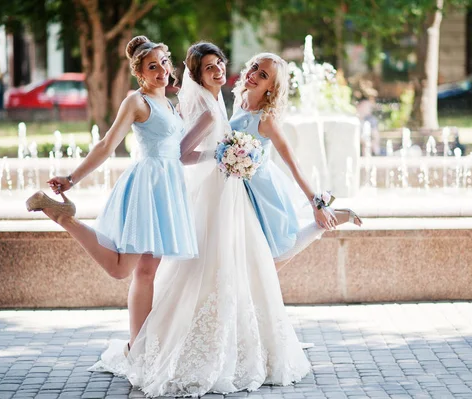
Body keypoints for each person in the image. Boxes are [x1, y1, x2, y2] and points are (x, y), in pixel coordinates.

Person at [89, 42, 314, 397]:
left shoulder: (223, 102)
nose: (218, 70)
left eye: (220, 63)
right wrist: (222, 153)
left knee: (232, 264)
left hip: (227, 192)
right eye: (209, 67)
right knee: (211, 265)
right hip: (215, 193)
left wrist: (231, 156)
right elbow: (180, 153)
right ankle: (177, 346)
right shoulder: (211, 109)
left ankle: (218, 341)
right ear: (197, 74)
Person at [25, 35, 198, 343]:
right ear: (140, 73)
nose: (162, 71)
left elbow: (179, 151)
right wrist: (72, 178)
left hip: (168, 188)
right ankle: (65, 217)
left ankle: (138, 346)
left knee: (146, 272)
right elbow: (106, 145)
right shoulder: (137, 101)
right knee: (122, 269)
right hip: (148, 186)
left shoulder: (169, 104)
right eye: (152, 67)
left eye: (164, 64)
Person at [230, 53, 362, 268]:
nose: (253, 75)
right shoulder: (241, 101)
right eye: (254, 67)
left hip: (261, 191)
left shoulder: (266, 119)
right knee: (249, 257)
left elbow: (294, 164)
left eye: (262, 75)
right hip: (238, 188)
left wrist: (316, 203)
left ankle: (329, 220)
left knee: (271, 256)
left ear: (271, 87)